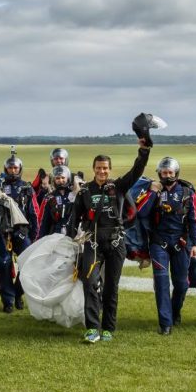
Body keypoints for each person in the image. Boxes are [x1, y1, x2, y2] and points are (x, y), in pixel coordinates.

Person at [69, 138, 151, 343]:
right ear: (93, 169)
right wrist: (71, 240)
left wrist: (144, 150)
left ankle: (108, 328)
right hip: (93, 243)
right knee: (90, 283)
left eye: (105, 168)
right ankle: (92, 328)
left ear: (110, 169)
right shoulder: (85, 191)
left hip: (116, 243)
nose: (102, 171)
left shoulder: (119, 187)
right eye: (98, 168)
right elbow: (74, 219)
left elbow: (137, 171)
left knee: (111, 287)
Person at [146, 156, 196, 335]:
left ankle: (175, 313)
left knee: (182, 284)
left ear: (176, 173)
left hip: (181, 243)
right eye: (164, 172)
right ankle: (165, 323)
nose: (167, 175)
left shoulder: (187, 193)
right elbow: (142, 213)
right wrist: (152, 193)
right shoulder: (153, 192)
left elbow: (194, 220)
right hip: (158, 243)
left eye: (170, 172)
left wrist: (195, 243)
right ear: (159, 173)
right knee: (161, 282)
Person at [0, 151, 39, 312]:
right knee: (4, 266)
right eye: (10, 168)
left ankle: (18, 292)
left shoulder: (26, 188)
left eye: (15, 168)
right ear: (5, 168)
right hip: (3, 232)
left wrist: (33, 236)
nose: (13, 170)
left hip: (22, 231)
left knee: (28, 264)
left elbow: (33, 213)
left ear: (20, 169)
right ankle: (8, 301)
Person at [39, 166, 76, 237]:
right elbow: (45, 221)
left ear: (68, 178)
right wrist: (41, 237)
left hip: (72, 233)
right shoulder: (50, 197)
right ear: (53, 180)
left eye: (63, 178)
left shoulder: (75, 195)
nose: (60, 180)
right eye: (58, 178)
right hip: (55, 232)